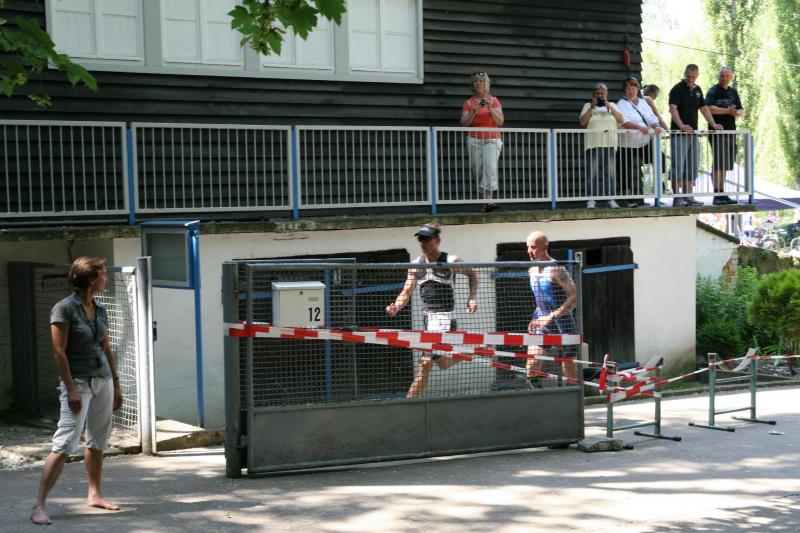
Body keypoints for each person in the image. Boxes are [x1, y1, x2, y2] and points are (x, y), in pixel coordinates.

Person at [31, 257, 123, 525]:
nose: (106, 278)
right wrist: (71, 389)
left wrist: (117, 383)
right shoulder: (64, 309)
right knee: (65, 443)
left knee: (98, 441)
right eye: (103, 274)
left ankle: (94, 494)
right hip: (78, 382)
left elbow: (106, 348)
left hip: (103, 380)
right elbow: (59, 352)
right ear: (91, 280)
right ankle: (39, 505)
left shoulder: (100, 308)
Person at [386, 223, 478, 398]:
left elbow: (473, 275)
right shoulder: (416, 265)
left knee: (425, 363)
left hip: (445, 318)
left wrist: (472, 297)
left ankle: (409, 404)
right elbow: (406, 292)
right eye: (420, 239)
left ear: (437, 240)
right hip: (428, 320)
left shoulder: (451, 261)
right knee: (442, 363)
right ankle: (476, 349)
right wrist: (396, 306)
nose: (423, 243)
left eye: (427, 239)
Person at [525, 231, 578, 384]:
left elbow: (574, 295)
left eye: (533, 247)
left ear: (545, 247)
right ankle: (535, 396)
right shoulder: (532, 270)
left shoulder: (556, 269)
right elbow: (541, 299)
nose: (529, 251)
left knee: (569, 371)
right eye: (528, 247)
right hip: (543, 323)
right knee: (531, 366)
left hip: (563, 323)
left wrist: (551, 316)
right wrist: (535, 317)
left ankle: (573, 393)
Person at [668, 64, 724, 207]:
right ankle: (677, 198)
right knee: (677, 166)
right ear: (684, 74)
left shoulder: (697, 90)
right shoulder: (677, 89)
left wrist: (714, 124)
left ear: (697, 76)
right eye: (688, 76)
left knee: (691, 166)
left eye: (693, 77)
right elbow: (672, 109)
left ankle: (688, 196)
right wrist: (682, 126)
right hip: (679, 134)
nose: (691, 79)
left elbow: (704, 108)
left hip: (693, 134)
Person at [460, 71, 505, 212]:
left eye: (481, 81)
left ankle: (488, 200)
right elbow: (464, 123)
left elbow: (500, 122)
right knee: (478, 169)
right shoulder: (468, 103)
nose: (478, 83)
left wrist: (491, 109)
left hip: (492, 138)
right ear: (472, 84)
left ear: (486, 83)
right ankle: (485, 202)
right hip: (474, 139)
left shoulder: (493, 100)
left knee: (490, 167)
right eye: (476, 81)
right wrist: (473, 112)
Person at [616, 77, 663, 208]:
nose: (631, 91)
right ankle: (627, 198)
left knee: (660, 160)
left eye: (633, 88)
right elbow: (624, 121)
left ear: (637, 89)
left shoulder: (643, 103)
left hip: (644, 141)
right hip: (627, 143)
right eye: (628, 88)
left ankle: (660, 190)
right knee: (625, 170)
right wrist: (639, 127)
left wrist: (656, 126)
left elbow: (651, 117)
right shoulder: (621, 103)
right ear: (624, 90)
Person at [578, 83, 624, 209]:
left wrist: (610, 107)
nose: (600, 95)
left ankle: (611, 199)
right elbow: (582, 122)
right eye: (597, 93)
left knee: (610, 173)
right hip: (593, 143)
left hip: (610, 143)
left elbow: (621, 120)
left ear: (606, 94)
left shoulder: (612, 105)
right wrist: (592, 108)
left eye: (602, 93)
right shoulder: (588, 106)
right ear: (594, 94)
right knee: (592, 173)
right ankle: (591, 200)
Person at [705, 66, 743, 205]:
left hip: (730, 131)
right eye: (722, 76)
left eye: (727, 76)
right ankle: (717, 194)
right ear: (718, 76)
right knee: (718, 162)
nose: (724, 78)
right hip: (717, 132)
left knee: (725, 164)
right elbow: (709, 109)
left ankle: (722, 193)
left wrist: (738, 113)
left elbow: (740, 109)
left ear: (731, 77)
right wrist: (728, 111)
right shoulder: (713, 91)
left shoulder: (733, 91)